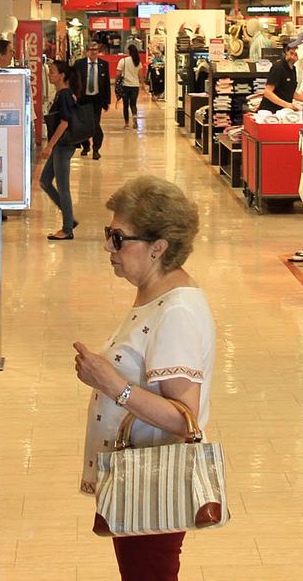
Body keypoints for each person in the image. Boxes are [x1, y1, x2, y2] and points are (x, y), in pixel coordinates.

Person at [73, 176, 216, 581]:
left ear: (158, 247)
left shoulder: (177, 311)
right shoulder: (154, 295)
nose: (108, 248)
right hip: (137, 475)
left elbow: (182, 418)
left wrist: (112, 384)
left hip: (153, 479)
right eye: (108, 235)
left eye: (119, 238)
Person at [41, 59, 83, 241]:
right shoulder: (62, 94)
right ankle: (69, 217)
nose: (49, 74)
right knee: (44, 181)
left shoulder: (65, 94)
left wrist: (49, 146)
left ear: (62, 75)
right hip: (59, 146)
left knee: (63, 186)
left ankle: (67, 228)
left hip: (62, 146)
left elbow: (64, 123)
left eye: (52, 71)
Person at [77, 41, 113, 159]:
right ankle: (85, 145)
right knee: (83, 124)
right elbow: (74, 81)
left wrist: (107, 101)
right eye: (91, 50)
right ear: (87, 51)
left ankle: (96, 149)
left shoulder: (103, 64)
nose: (93, 52)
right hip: (83, 98)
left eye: (95, 50)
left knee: (95, 124)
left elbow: (106, 83)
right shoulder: (79, 64)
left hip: (97, 99)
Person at [259, 41, 300, 111]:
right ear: (286, 52)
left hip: (283, 111)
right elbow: (267, 92)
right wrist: (287, 105)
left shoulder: (293, 69)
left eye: (296, 55)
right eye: (291, 53)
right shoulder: (278, 67)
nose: (292, 57)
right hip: (270, 111)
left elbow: (290, 91)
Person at [117, 46, 143, 124]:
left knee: (125, 105)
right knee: (133, 104)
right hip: (135, 86)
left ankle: (126, 123)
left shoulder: (123, 61)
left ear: (129, 52)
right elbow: (140, 75)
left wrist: (116, 83)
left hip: (125, 86)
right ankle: (134, 114)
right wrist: (142, 84)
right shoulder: (138, 62)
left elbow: (118, 73)